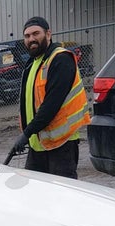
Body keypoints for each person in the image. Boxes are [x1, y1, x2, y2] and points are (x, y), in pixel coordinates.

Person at [11, 16, 91, 179]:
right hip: (38, 144)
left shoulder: (61, 59)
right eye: (27, 36)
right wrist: (28, 134)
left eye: (36, 34)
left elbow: (51, 104)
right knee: (36, 194)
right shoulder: (33, 63)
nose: (31, 39)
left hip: (61, 144)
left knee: (62, 195)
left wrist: (26, 133)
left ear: (48, 34)